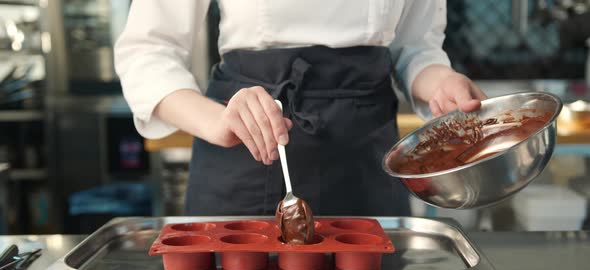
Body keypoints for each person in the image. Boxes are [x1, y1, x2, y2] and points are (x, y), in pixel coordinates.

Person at [115, 1, 486, 217]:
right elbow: (148, 50)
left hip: (364, 158)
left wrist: (440, 83)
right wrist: (218, 121)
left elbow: (415, 47)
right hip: (248, 147)